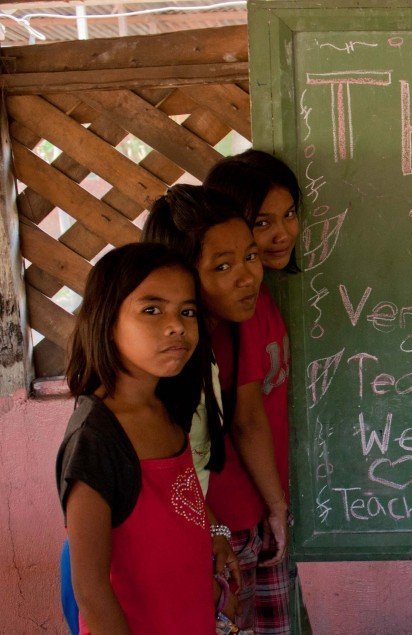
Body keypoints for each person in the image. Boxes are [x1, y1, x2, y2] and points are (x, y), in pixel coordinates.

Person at [143, 185, 288, 631]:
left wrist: (275, 509)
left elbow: (248, 415)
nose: (248, 276)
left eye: (249, 256)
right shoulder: (163, 362)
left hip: (242, 524)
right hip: (200, 538)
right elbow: (166, 472)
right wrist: (217, 533)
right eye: (222, 266)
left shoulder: (233, 324)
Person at [55, 243, 216, 633]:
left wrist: (216, 537)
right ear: (107, 321)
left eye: (187, 311)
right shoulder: (96, 438)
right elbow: (90, 588)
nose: (176, 324)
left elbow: (180, 510)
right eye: (152, 309)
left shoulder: (168, 405)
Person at [206, 149, 309, 633]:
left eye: (289, 214)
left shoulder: (258, 296)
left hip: (260, 512)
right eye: (263, 222)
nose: (282, 232)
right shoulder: (237, 310)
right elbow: (246, 419)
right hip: (236, 518)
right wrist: (277, 504)